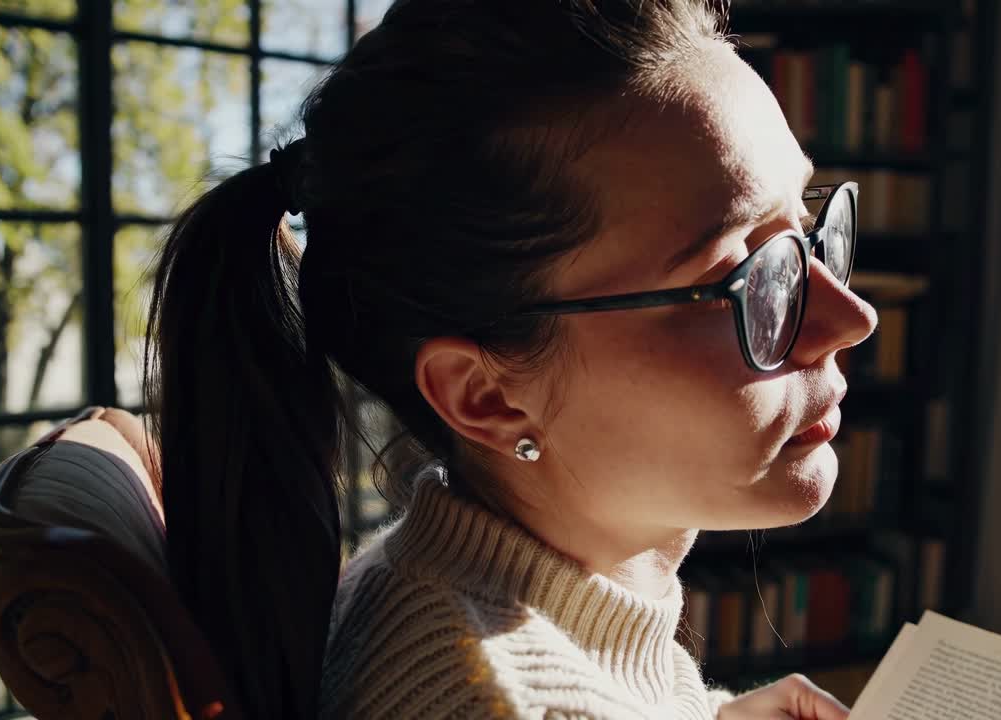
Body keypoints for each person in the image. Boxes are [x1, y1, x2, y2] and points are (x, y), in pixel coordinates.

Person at [144, 0, 877, 717]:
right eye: (744, 277)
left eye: (806, 234)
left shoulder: (434, 585)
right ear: (487, 397)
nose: (851, 319)